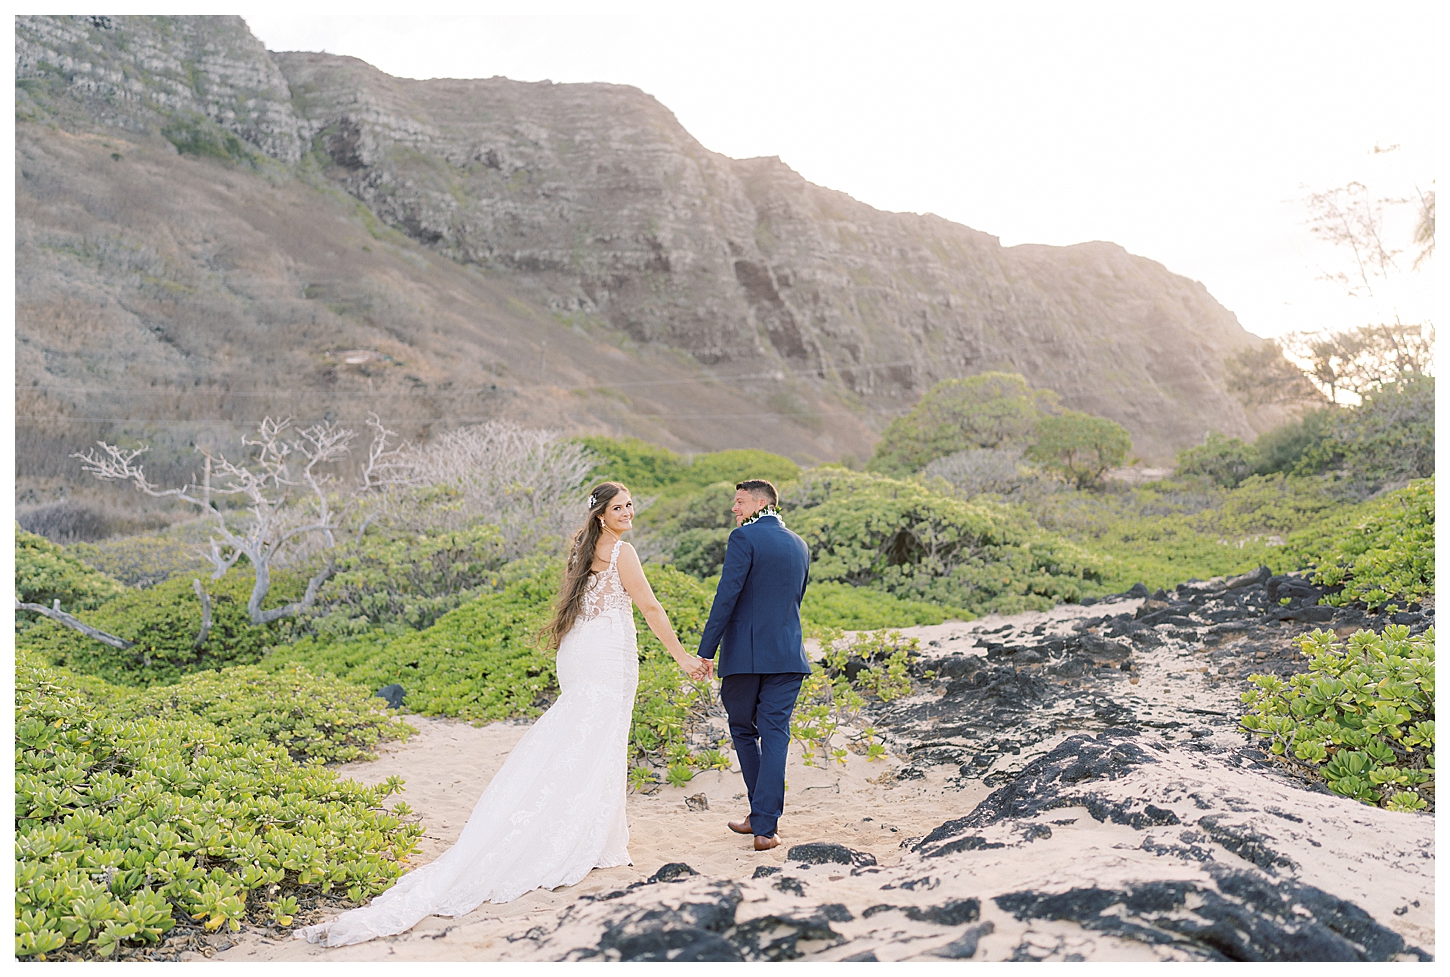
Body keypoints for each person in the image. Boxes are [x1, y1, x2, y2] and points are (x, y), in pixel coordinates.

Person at [298, 481, 704, 947]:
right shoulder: (622, 552)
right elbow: (649, 606)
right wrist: (682, 657)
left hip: (580, 649)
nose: (628, 512)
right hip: (608, 651)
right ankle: (589, 837)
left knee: (581, 734)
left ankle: (597, 831)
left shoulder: (582, 550)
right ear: (600, 515)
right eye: (619, 507)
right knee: (599, 737)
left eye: (631, 504)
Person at [695, 479, 812, 851]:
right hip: (789, 654)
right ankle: (764, 826)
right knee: (776, 735)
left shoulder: (743, 538)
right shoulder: (800, 545)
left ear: (761, 503)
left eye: (740, 502)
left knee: (744, 730)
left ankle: (762, 821)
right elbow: (795, 598)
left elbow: (726, 596)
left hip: (745, 658)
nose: (735, 509)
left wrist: (706, 650)